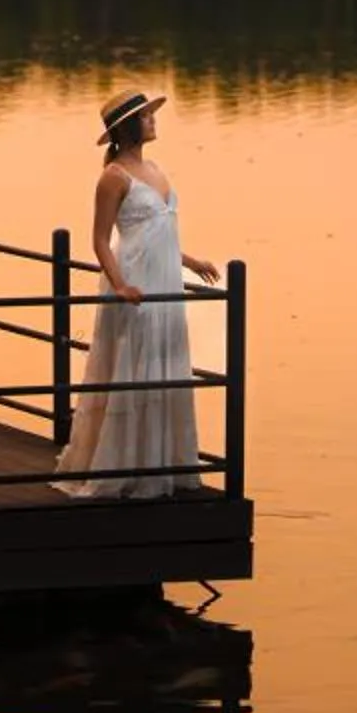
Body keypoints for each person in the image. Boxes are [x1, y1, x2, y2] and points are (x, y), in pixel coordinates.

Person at [56, 90, 221, 498]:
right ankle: (122, 465)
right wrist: (120, 285)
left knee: (162, 366)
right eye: (146, 116)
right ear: (129, 126)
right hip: (133, 283)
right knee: (133, 368)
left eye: (150, 115)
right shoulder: (113, 176)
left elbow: (159, 231)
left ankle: (158, 462)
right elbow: (99, 240)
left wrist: (191, 261)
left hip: (164, 279)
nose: (153, 121)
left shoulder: (157, 169)